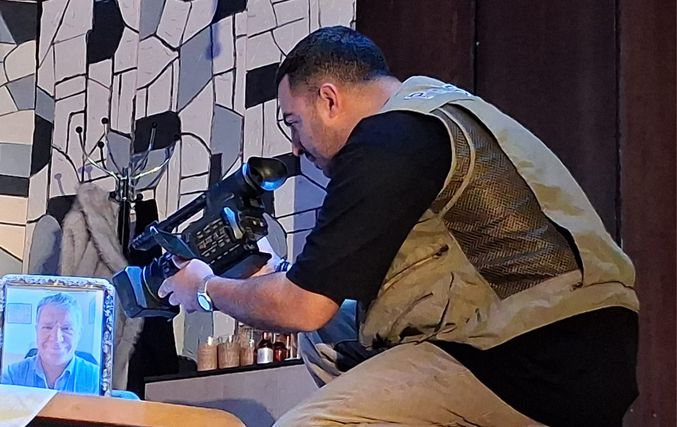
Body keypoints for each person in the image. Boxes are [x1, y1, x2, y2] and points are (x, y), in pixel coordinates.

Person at [158, 26, 640, 426]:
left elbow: (302, 307)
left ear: (329, 99)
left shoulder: (385, 141)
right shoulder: (436, 112)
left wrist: (205, 289)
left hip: (529, 360)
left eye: (293, 122)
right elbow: (327, 301)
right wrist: (271, 280)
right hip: (583, 348)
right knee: (330, 332)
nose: (297, 147)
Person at [1, 293, 99, 394]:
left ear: (79, 334)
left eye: (66, 328)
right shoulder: (12, 376)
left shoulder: (97, 380)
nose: (56, 338)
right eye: (47, 327)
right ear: (37, 331)